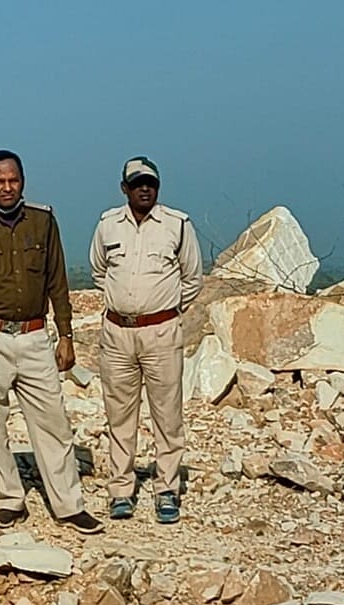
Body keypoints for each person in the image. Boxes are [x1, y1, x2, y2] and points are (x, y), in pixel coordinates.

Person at [0, 150, 102, 534]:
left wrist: (66, 335)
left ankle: (69, 505)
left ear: (23, 182)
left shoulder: (43, 220)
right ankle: (9, 500)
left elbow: (57, 281)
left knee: (53, 421)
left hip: (34, 336)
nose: (7, 187)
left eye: (13, 180)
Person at [90, 156, 203, 524]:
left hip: (161, 333)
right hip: (117, 334)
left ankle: (167, 489)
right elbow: (99, 271)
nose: (144, 189)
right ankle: (121, 490)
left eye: (150, 183)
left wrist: (164, 309)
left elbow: (193, 278)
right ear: (124, 188)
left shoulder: (178, 225)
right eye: (137, 183)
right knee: (119, 415)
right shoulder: (108, 224)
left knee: (167, 414)